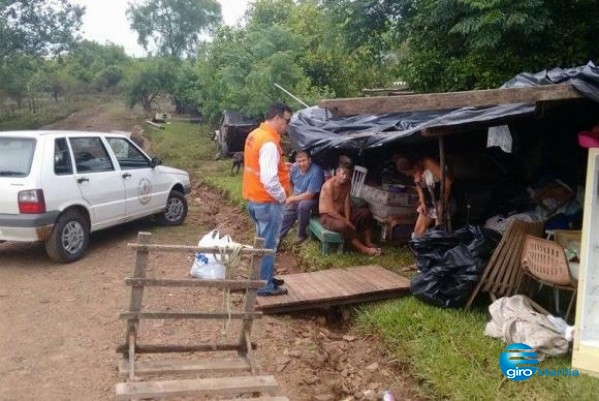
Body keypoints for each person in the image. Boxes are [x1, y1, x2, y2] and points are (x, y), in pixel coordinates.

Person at [242, 102, 293, 296]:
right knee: (268, 245)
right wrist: (282, 197)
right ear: (277, 118)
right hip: (268, 202)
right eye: (286, 121)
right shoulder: (270, 143)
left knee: (261, 242)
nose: (287, 125)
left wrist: (282, 166)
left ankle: (262, 277)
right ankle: (264, 286)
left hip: (254, 200)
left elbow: (260, 166)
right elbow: (269, 179)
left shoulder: (255, 135)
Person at [318, 158, 381, 256]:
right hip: (327, 217)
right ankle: (363, 249)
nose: (345, 177)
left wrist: (347, 219)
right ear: (337, 172)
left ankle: (368, 242)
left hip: (341, 213)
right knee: (344, 225)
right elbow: (330, 211)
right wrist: (346, 222)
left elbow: (347, 203)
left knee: (366, 213)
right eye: (343, 174)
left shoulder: (347, 183)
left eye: (347, 174)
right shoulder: (328, 186)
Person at [393, 154, 453, 237]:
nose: (408, 175)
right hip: (430, 201)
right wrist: (423, 201)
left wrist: (443, 202)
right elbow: (418, 185)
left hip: (443, 199)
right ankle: (419, 247)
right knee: (417, 233)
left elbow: (448, 181)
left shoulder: (428, 163)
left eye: (410, 172)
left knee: (438, 231)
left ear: (415, 166)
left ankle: (437, 246)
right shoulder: (414, 170)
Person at [279, 150, 325, 245]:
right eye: (299, 161)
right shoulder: (294, 167)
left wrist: (292, 199)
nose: (301, 164)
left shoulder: (317, 171)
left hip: (315, 199)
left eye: (304, 160)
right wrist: (292, 195)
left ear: (309, 160)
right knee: (286, 216)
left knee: (303, 205)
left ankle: (301, 234)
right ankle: (275, 241)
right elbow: (289, 183)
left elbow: (309, 195)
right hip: (297, 197)